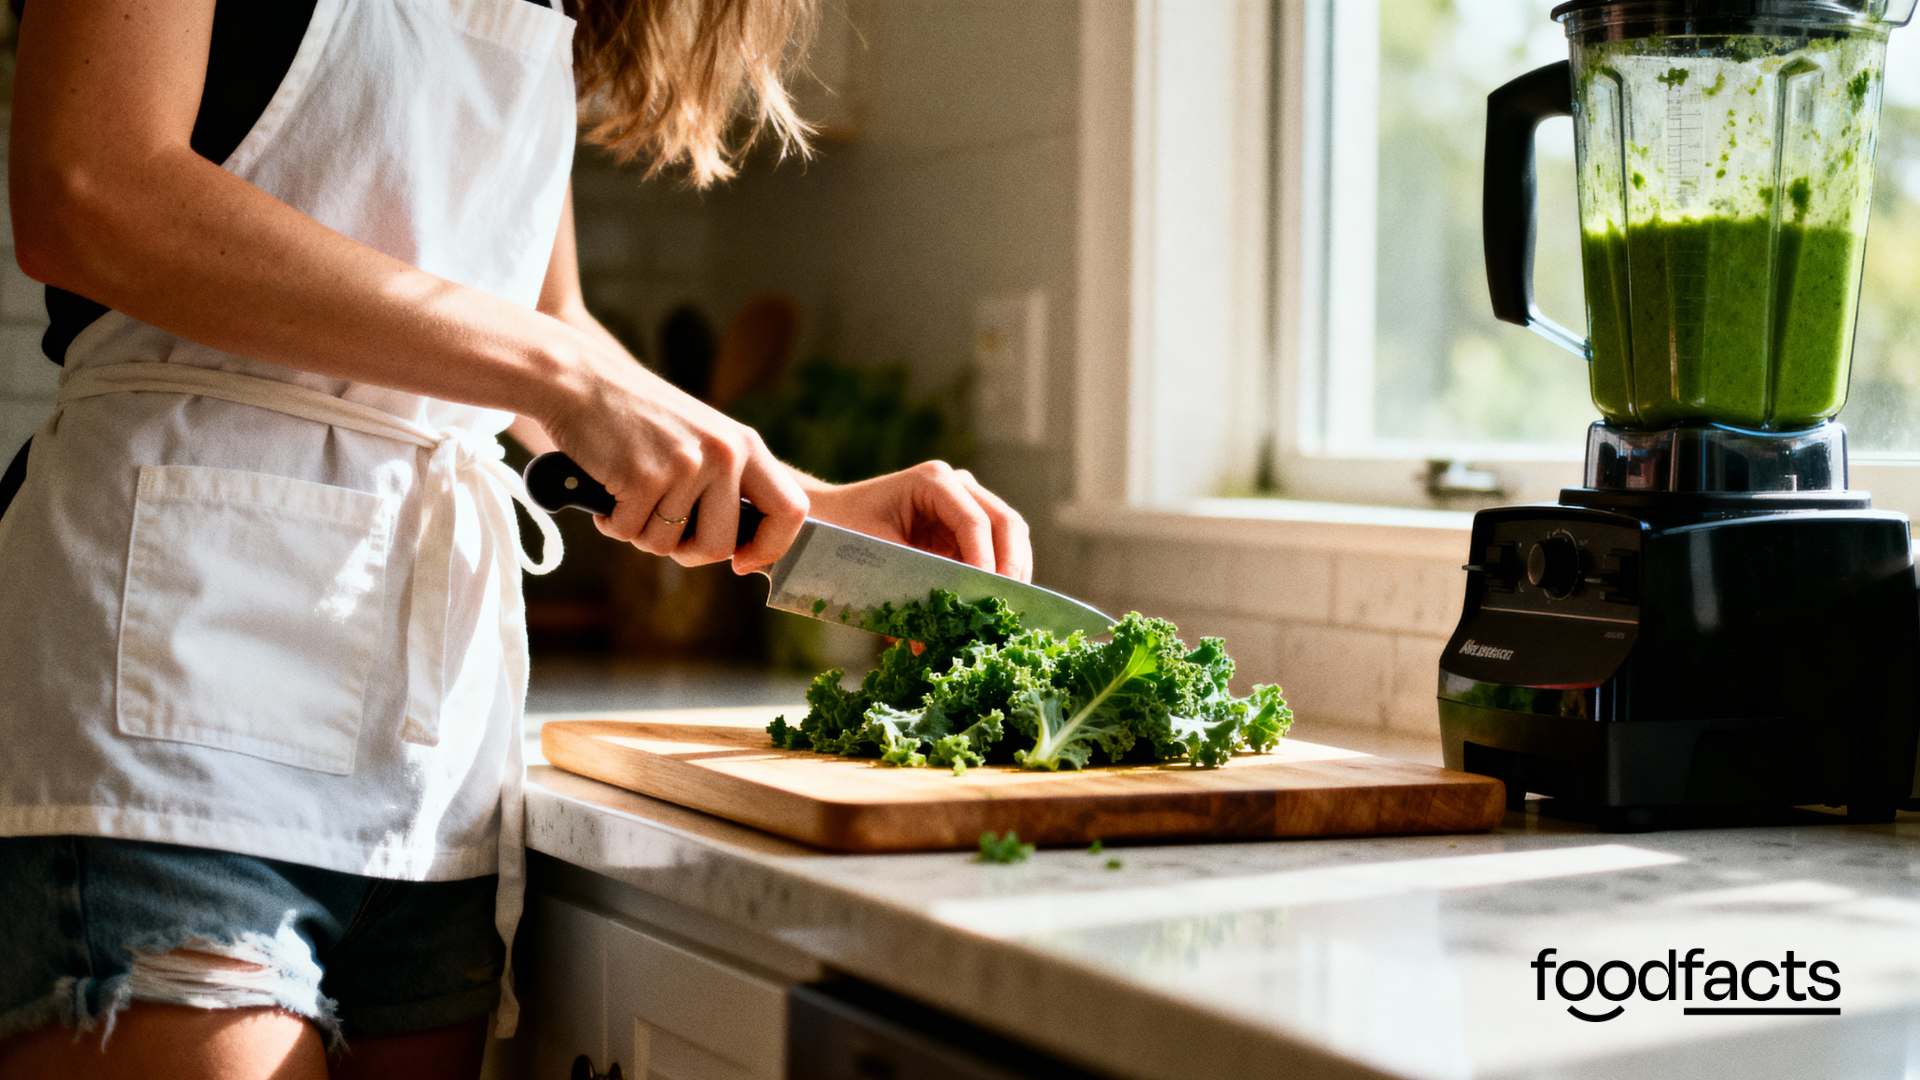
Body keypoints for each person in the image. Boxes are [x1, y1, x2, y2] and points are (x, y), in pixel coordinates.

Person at [0, 2, 1032, 1077]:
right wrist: (559, 376)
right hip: (171, 700)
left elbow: (547, 322)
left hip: (431, 757)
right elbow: (91, 186)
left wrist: (803, 504)